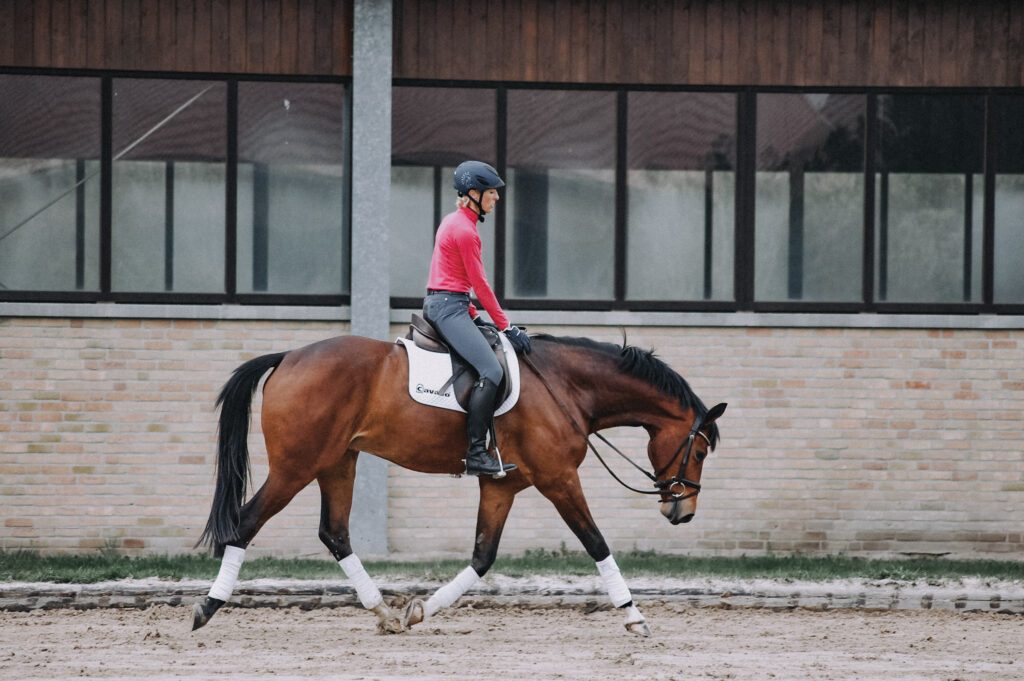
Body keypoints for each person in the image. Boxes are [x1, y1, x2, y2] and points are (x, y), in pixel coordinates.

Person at [423, 160, 532, 478]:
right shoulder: (465, 231)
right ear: (473, 193)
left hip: (450, 304)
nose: (496, 198)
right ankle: (475, 454)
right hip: (448, 308)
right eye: (492, 193)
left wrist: (474, 314)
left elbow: (450, 278)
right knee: (491, 370)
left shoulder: (453, 221)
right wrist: (505, 325)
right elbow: (480, 284)